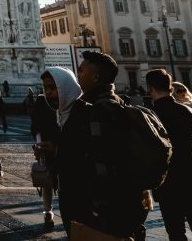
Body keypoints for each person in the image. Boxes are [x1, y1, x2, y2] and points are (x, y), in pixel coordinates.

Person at [56, 51, 150, 240]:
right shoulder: (122, 103)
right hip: (125, 197)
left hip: (98, 201)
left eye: (81, 71)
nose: (78, 75)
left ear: (96, 77)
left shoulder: (89, 110)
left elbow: (82, 157)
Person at [145, 69, 192, 240]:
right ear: (171, 89)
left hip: (168, 181)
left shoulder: (150, 116)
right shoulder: (187, 111)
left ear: (150, 89)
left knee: (176, 233)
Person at [32, 67, 80, 231]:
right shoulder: (49, 106)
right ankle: (48, 211)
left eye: (53, 88)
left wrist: (57, 149)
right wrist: (40, 144)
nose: (49, 93)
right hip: (53, 159)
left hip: (80, 187)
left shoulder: (82, 111)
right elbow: (36, 125)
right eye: (46, 88)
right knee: (47, 181)